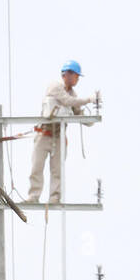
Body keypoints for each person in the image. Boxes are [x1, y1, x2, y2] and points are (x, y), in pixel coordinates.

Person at [27, 60, 100, 204]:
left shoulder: (73, 94)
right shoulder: (55, 87)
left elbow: (77, 112)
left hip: (58, 137)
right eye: (76, 76)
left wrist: (91, 119)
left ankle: (55, 198)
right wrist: (89, 99)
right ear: (67, 74)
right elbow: (67, 101)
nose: (77, 79)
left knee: (57, 171)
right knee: (37, 167)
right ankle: (33, 197)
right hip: (43, 134)